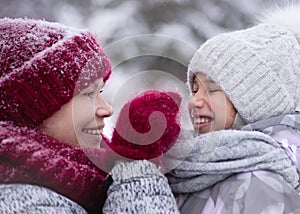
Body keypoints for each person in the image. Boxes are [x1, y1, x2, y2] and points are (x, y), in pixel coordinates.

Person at [102, 4, 300, 214]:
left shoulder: (260, 185)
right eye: (195, 90)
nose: (194, 102)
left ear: (259, 99)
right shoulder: (194, 170)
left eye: (212, 89)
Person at [0, 17, 113, 213]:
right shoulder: (25, 204)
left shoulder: (92, 178)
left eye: (100, 92)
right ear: (26, 110)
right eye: (87, 94)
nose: (107, 109)